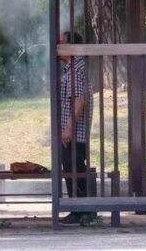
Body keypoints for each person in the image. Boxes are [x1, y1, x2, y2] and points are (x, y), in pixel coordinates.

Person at [58, 31, 94, 225]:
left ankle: (79, 211)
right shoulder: (73, 68)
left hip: (74, 133)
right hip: (72, 131)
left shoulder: (75, 69)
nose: (58, 47)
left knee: (74, 168)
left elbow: (79, 100)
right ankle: (79, 210)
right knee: (73, 167)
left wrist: (69, 128)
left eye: (61, 43)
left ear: (71, 46)